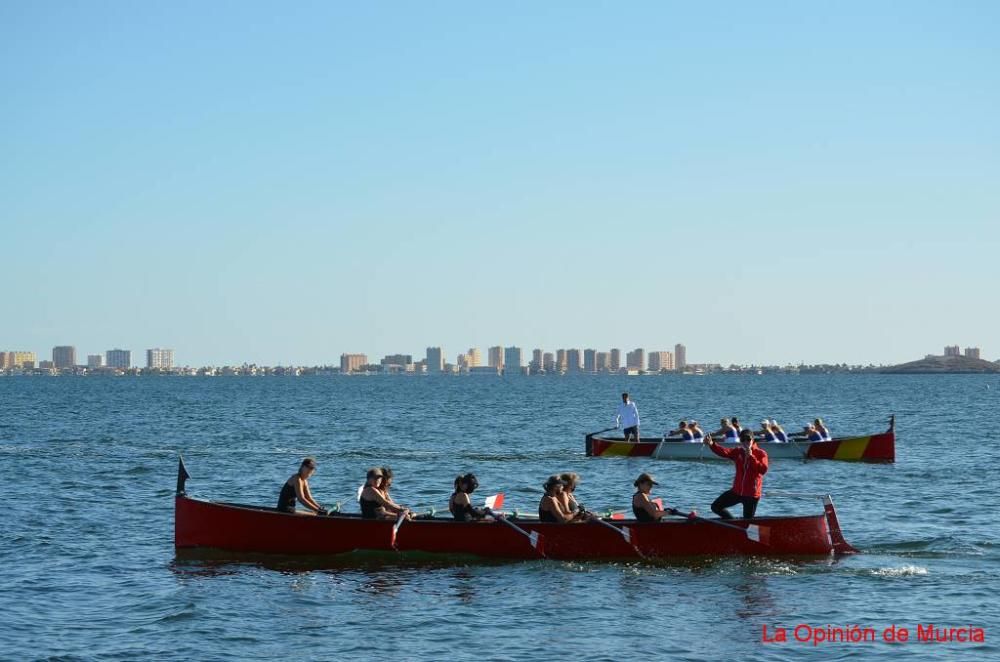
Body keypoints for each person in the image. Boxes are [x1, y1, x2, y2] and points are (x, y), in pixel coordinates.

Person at [703, 429, 769, 519]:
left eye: (748, 439)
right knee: (715, 507)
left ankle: (747, 529)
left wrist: (751, 457)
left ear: (753, 439)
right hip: (736, 492)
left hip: (751, 495)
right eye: (743, 440)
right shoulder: (738, 452)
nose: (746, 442)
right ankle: (732, 523)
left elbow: (763, 470)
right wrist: (712, 444)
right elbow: (725, 452)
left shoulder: (761, 453)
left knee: (748, 521)